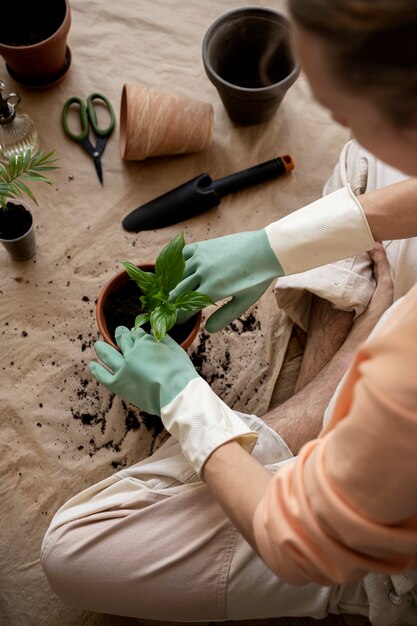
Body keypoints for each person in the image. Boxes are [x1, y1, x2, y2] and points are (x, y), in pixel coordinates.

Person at [41, 1, 417, 624]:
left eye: (343, 100)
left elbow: (294, 541)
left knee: (71, 552)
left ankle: (324, 405)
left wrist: (180, 393)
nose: (334, 117)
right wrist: (273, 246)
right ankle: (336, 382)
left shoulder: (407, 374)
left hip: (366, 539)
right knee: (364, 162)